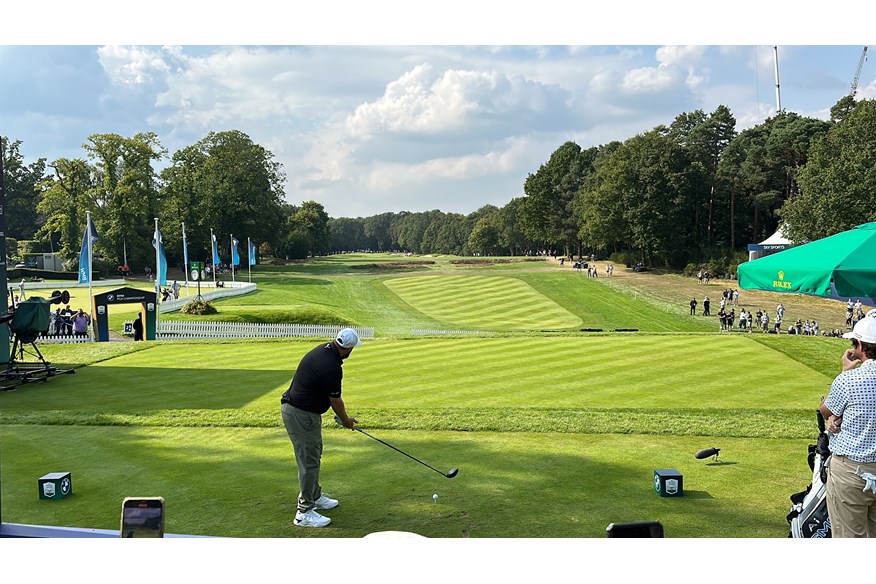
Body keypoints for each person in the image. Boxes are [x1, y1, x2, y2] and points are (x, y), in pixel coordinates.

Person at [281, 328, 362, 528]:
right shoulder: (332, 367)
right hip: (301, 414)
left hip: (303, 412)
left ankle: (314, 497)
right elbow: (335, 400)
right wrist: (346, 420)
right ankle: (304, 512)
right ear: (348, 349)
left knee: (314, 456)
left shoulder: (324, 350)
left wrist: (342, 417)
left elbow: (323, 391)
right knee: (309, 462)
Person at [819, 315, 876, 537]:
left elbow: (825, 410)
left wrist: (845, 371)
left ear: (860, 346)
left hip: (852, 471)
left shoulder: (849, 379)